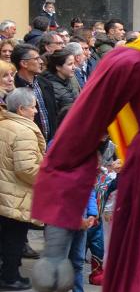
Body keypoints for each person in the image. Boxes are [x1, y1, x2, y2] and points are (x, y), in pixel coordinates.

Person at [0, 88, 45, 291]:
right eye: (33, 107)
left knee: (6, 237)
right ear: (21, 109)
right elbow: (26, 167)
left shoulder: (4, 125)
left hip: (6, 192)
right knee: (14, 239)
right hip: (17, 194)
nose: (35, 111)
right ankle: (11, 277)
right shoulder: (24, 130)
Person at [11, 44, 58, 142]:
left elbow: (54, 114)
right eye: (36, 59)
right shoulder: (13, 89)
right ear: (24, 63)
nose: (41, 61)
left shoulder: (46, 84)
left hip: (50, 143)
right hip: (28, 144)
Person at [38, 49, 77, 123]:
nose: (74, 67)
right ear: (58, 67)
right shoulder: (51, 87)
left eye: (74, 63)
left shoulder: (66, 80)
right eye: (70, 64)